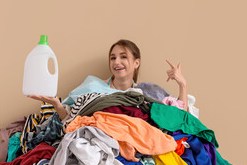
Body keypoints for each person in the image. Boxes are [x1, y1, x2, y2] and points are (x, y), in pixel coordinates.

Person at [28, 39, 189, 119]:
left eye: (123, 57)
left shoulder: (146, 92)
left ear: (136, 63)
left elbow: (181, 118)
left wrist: (183, 85)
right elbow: (70, 119)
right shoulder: (92, 86)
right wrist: (57, 104)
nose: (116, 62)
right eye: (113, 58)